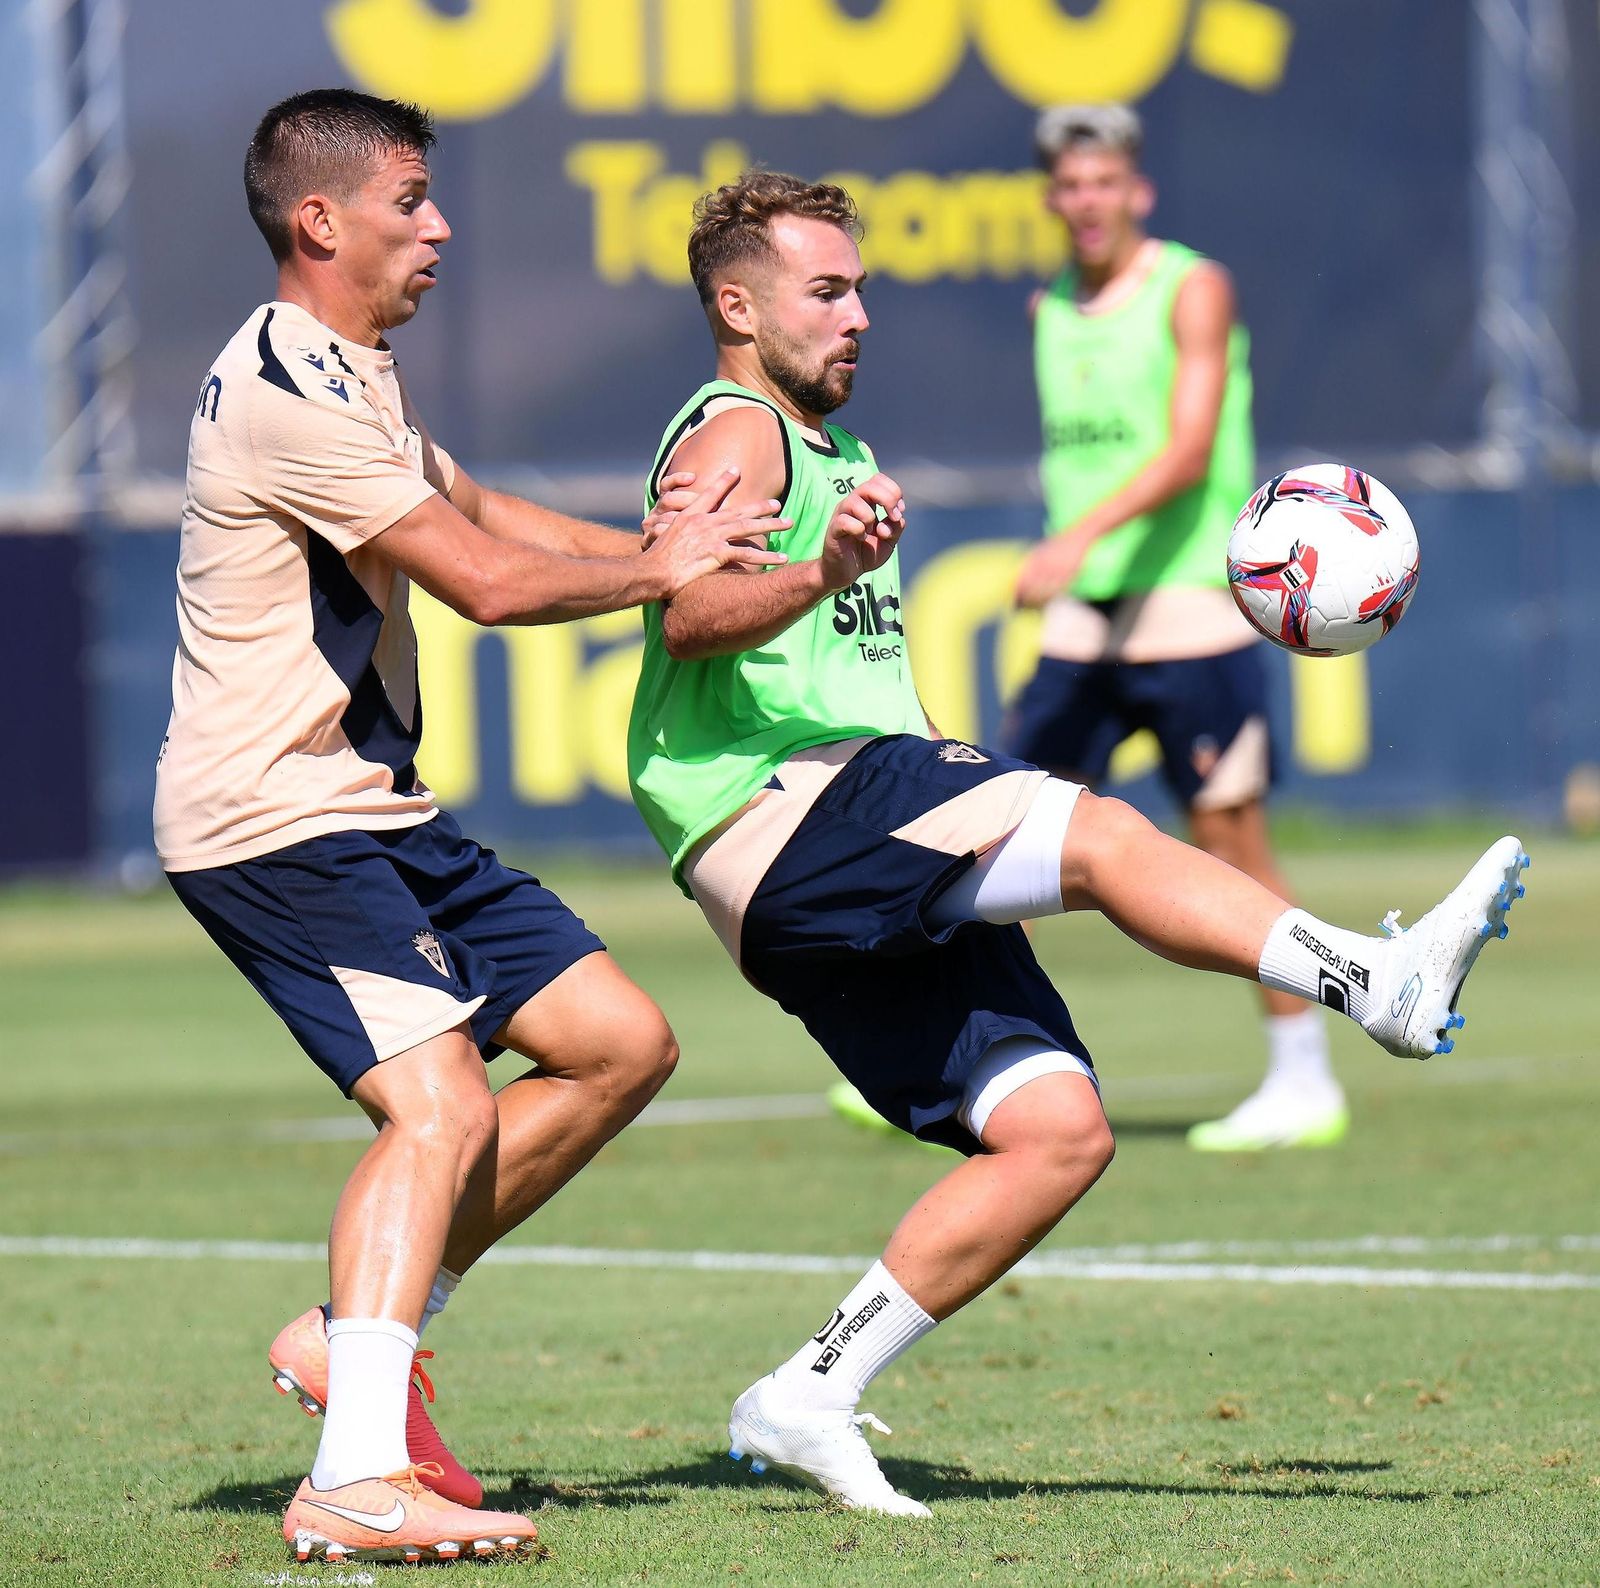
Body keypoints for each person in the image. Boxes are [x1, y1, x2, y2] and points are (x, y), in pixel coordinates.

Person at [625, 169, 1527, 1517]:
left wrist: (942, 776)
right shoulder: (740, 432)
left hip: (826, 840)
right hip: (777, 808)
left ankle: (807, 1392)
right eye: (827, 291)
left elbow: (853, 684)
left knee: (1055, 1131)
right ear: (737, 308)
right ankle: (1369, 981)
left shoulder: (834, 453)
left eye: (861, 288)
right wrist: (820, 575)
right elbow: (684, 612)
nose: (859, 315)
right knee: (1099, 832)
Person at [155, 89, 785, 1565]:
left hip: (370, 806)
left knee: (618, 1043)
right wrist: (664, 576)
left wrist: (670, 550)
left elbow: (482, 507)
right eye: (410, 202)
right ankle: (355, 1475)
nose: (440, 227)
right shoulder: (282, 386)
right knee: (439, 1105)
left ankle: (350, 1335)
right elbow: (485, 584)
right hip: (273, 818)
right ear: (322, 221)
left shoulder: (350, 370)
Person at [1003, 102, 1343, 1152]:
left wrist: (1074, 536)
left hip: (1190, 608)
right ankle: (959, 1061)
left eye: (1104, 181)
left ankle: (1303, 1076)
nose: (1087, 200)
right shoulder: (1051, 307)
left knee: (1228, 843)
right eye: (1070, 185)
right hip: (1085, 621)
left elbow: (1189, 450)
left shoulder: (1190, 287)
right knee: (992, 834)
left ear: (1136, 190)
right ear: (1051, 199)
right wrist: (1075, 554)